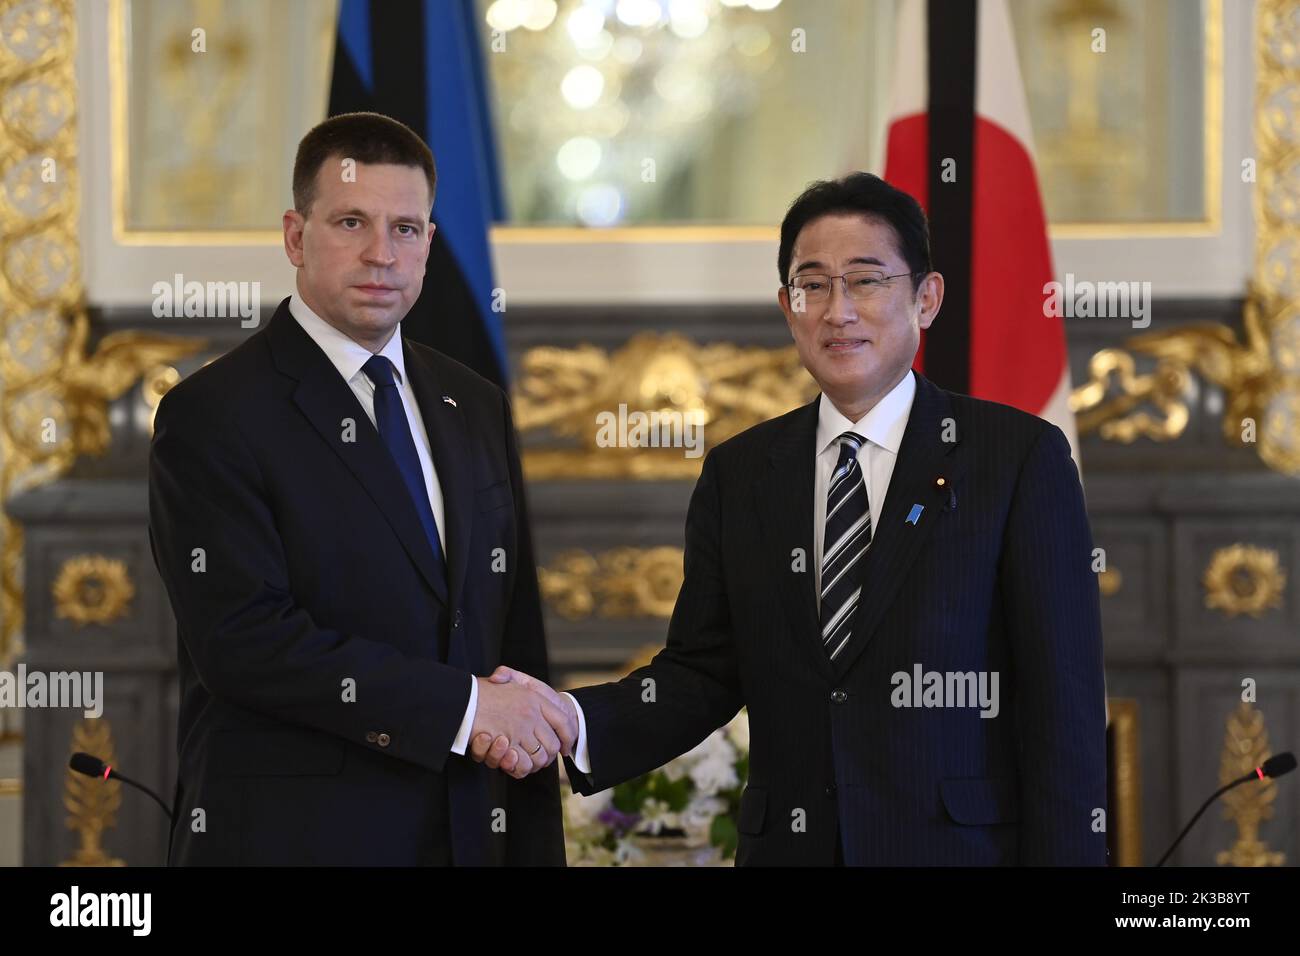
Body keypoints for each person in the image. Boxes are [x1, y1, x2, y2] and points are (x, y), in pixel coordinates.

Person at [473, 172, 1107, 866]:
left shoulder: (1016, 459)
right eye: (814, 285)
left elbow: (1063, 709)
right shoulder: (742, 473)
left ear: (926, 298)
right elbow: (702, 673)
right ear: (787, 305)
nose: (838, 311)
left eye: (866, 281)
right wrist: (572, 719)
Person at [149, 112, 575, 865]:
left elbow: (512, 633)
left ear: (431, 247)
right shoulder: (212, 414)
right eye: (351, 222)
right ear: (294, 235)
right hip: (297, 840)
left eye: (406, 229)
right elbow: (244, 642)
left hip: (469, 831)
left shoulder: (472, 402)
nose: (382, 254)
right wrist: (467, 707)